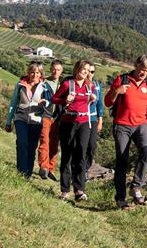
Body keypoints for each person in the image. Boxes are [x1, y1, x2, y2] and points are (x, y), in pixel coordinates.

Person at [105, 55, 147, 209]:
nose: (144, 73)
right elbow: (108, 102)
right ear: (136, 66)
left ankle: (136, 186)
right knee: (122, 160)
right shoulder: (122, 80)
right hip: (122, 125)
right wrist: (117, 91)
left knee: (146, 152)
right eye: (142, 69)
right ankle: (120, 199)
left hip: (141, 125)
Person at [52, 60, 96, 201]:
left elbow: (91, 101)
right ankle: (65, 190)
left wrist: (93, 98)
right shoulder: (67, 84)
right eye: (84, 69)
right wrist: (65, 99)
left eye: (88, 70)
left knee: (81, 154)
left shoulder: (90, 86)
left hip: (84, 122)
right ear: (77, 69)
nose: (86, 72)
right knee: (67, 155)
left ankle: (79, 190)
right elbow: (54, 99)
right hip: (68, 122)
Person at [5, 61, 53, 178]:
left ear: (41, 73)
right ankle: (21, 172)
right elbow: (13, 103)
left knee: (31, 147)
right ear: (28, 72)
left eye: (37, 72)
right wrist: (8, 121)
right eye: (32, 72)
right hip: (20, 118)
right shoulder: (20, 84)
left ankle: (27, 174)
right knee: (22, 144)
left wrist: (45, 103)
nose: (35, 75)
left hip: (36, 120)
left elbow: (50, 101)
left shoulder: (45, 86)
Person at [37, 59, 63, 180]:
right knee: (44, 141)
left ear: (61, 71)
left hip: (57, 118)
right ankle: (43, 167)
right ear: (50, 69)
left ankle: (51, 169)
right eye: (53, 69)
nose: (55, 71)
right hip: (45, 116)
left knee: (54, 145)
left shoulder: (64, 84)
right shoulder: (44, 83)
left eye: (58, 70)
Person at [85, 63, 104, 179]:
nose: (90, 74)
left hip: (93, 119)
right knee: (82, 145)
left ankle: (86, 168)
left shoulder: (97, 85)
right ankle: (80, 171)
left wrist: (100, 120)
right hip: (82, 118)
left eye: (92, 72)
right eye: (88, 71)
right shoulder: (80, 84)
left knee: (92, 145)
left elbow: (100, 104)